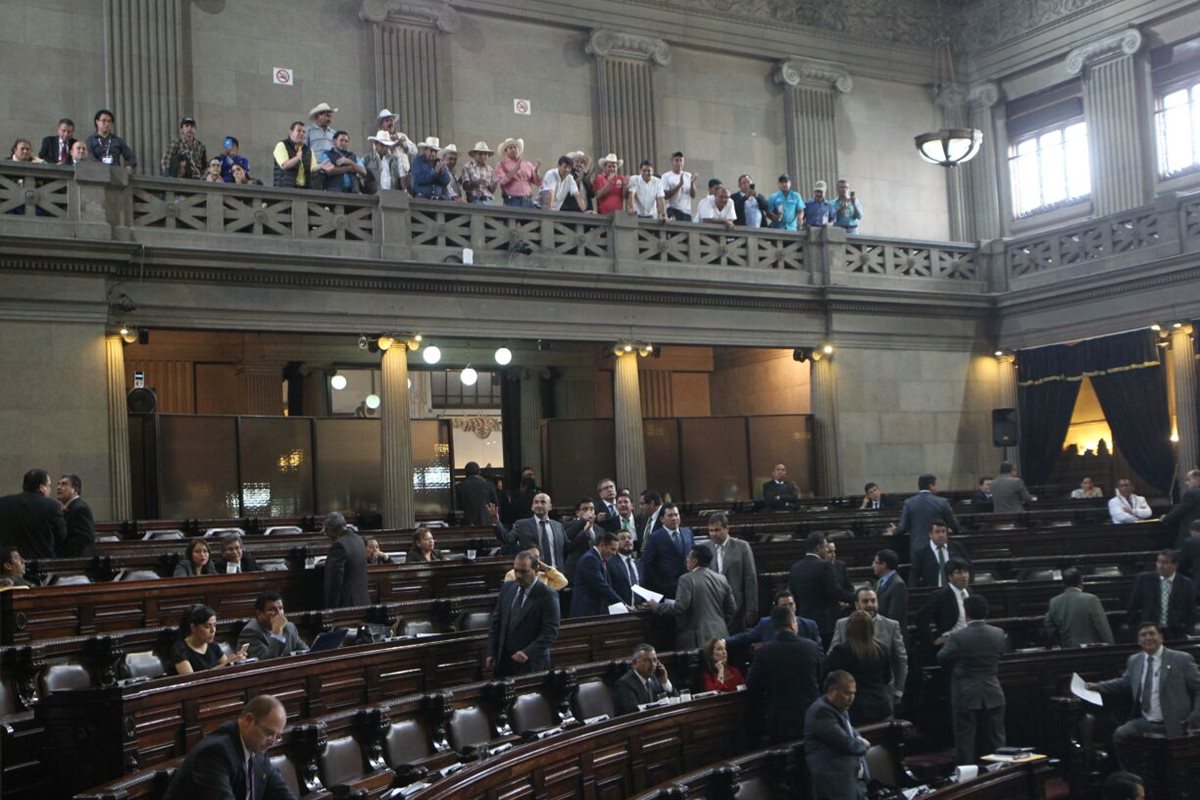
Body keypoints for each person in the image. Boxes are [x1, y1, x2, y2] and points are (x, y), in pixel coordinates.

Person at [1087, 622, 1200, 769]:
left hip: (1176, 722)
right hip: (1146, 721)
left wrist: (1195, 716)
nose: (1148, 638)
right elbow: (1125, 682)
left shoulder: (1181, 659)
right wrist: (1097, 686)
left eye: (1152, 634)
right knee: (1120, 734)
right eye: (1143, 635)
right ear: (1139, 641)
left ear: (1161, 637)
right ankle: (1132, 780)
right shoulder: (1134, 661)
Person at [161, 694, 295, 800]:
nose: (273, 741)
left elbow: (279, 791)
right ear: (248, 721)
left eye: (277, 736)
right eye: (269, 733)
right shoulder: (215, 752)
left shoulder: (257, 748)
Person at [937, 595, 1008, 764]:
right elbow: (1001, 652)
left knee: (965, 740)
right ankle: (1001, 775)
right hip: (993, 691)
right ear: (986, 612)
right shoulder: (998, 633)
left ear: (966, 614)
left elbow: (941, 657)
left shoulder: (957, 636)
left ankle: (968, 780)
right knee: (996, 737)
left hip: (966, 694)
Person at [746, 605, 823, 743]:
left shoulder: (764, 652)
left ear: (774, 626)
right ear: (793, 624)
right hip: (810, 715)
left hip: (779, 720)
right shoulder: (812, 647)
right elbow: (821, 678)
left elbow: (752, 685)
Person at [829, 588, 908, 710]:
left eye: (873, 601)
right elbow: (832, 656)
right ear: (856, 604)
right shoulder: (842, 624)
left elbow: (900, 660)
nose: (870, 605)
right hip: (849, 696)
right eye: (865, 601)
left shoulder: (891, 626)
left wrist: (899, 690)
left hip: (882, 694)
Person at [486, 551, 561, 677]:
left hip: (531, 663)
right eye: (516, 570)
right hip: (504, 661)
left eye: (524, 571)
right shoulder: (507, 588)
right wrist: (491, 652)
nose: (518, 575)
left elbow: (551, 631)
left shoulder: (547, 594)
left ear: (536, 570)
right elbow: (496, 623)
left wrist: (528, 652)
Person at [647, 545, 736, 649]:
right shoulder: (721, 578)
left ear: (694, 561)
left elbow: (680, 608)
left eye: (688, 558)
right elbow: (732, 609)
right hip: (721, 634)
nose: (686, 560)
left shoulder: (686, 579)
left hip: (698, 638)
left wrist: (656, 606)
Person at [805, 670, 871, 800]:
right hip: (835, 782)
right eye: (846, 693)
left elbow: (851, 731)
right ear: (831, 690)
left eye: (853, 693)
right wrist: (863, 744)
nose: (851, 698)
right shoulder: (821, 711)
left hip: (851, 781)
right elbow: (844, 742)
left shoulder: (839, 708)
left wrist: (857, 738)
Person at [824, 610, 893, 725]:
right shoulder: (882, 649)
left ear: (849, 628)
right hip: (880, 706)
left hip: (854, 709)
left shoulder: (842, 650)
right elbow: (887, 678)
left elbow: (825, 672)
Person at [788, 532, 855, 646]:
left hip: (804, 622)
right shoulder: (825, 566)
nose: (826, 550)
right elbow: (836, 592)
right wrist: (856, 597)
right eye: (825, 547)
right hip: (826, 624)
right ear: (818, 548)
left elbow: (793, 595)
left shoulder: (795, 568)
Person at [706, 511, 758, 632]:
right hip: (714, 607)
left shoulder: (742, 547)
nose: (713, 534)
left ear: (727, 529)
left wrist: (752, 608)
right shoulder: (706, 548)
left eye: (717, 530)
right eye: (711, 531)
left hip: (738, 606)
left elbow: (750, 578)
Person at [1127, 549, 1196, 640]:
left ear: (1175, 565)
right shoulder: (1143, 580)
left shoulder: (1186, 583)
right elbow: (1133, 607)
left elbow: (1191, 611)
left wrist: (1187, 631)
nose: (1160, 566)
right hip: (1150, 632)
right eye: (1158, 561)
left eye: (1165, 562)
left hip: (1176, 632)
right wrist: (1136, 629)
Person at [727, 588, 823, 653]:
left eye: (791, 604)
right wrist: (723, 642)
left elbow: (819, 651)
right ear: (776, 607)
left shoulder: (809, 625)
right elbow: (745, 637)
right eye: (784, 606)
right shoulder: (766, 623)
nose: (789, 608)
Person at [0, 468, 67, 559]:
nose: (50, 489)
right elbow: (62, 537)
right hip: (42, 564)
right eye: (49, 486)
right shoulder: (52, 506)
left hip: (9, 563)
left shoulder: (3, 503)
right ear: (42, 488)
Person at [894, 473, 960, 562]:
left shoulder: (909, 503)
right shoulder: (942, 502)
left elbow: (902, 528)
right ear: (931, 485)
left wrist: (894, 530)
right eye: (936, 484)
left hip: (917, 547)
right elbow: (955, 526)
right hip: (938, 545)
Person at [491, 491, 566, 568]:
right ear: (532, 506)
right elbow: (507, 539)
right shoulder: (522, 525)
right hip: (534, 573)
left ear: (550, 506)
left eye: (543, 502)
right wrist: (496, 522)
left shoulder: (558, 526)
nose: (539, 505)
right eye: (536, 502)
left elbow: (567, 548)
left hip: (556, 573)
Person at [1043, 568, 1115, 648]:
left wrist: (1061, 642)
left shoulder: (1054, 602)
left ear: (1063, 583)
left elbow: (1049, 627)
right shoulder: (1091, 599)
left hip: (1067, 649)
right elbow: (1102, 627)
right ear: (1081, 581)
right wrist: (1111, 645)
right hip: (1091, 650)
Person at [172, 604, 248, 674]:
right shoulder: (180, 649)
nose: (213, 630)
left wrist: (235, 661)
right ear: (193, 627)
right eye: (207, 626)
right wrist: (226, 664)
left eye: (214, 625)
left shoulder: (212, 645)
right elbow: (192, 681)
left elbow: (227, 667)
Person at [640, 503, 694, 598]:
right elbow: (647, 563)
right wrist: (659, 584)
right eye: (670, 515)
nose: (674, 518)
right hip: (666, 588)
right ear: (662, 519)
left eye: (676, 515)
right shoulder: (654, 537)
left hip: (689, 585)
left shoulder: (687, 532)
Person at [916, 558, 973, 649]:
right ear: (950, 577)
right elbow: (921, 618)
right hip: (951, 642)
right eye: (958, 573)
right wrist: (932, 641)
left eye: (966, 572)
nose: (964, 576)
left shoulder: (970, 592)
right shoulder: (940, 595)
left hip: (971, 639)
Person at [569, 531, 627, 617]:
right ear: (602, 545)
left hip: (597, 611)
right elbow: (602, 586)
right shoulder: (590, 559)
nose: (614, 554)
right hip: (586, 613)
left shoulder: (600, 559)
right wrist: (623, 605)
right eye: (612, 549)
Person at [237, 592, 309, 660]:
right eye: (272, 610)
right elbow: (268, 662)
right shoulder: (250, 633)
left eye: (280, 608)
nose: (279, 613)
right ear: (259, 614)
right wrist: (277, 630)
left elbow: (307, 653)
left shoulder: (290, 627)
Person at [322, 512, 369, 609]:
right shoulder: (359, 540)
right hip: (362, 600)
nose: (325, 533)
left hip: (347, 603)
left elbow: (335, 580)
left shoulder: (339, 545)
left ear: (334, 529)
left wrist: (330, 607)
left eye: (326, 529)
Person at [613, 643, 676, 714]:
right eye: (647, 660)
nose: (652, 664)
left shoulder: (654, 679)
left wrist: (664, 682)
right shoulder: (624, 684)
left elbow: (675, 701)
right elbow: (633, 712)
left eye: (655, 660)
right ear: (634, 663)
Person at [910, 520, 972, 588]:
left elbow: (969, 567)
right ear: (930, 534)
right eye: (937, 532)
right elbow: (914, 576)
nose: (941, 535)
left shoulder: (957, 548)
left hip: (956, 589)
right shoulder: (921, 553)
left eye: (943, 531)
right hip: (933, 591)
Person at [272, 121, 322, 189]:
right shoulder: (282, 145)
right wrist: (297, 158)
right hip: (285, 188)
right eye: (299, 131)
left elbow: (312, 169)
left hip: (304, 188)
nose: (302, 134)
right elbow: (284, 165)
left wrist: (322, 166)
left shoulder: (308, 150)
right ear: (290, 132)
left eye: (304, 132)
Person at [56, 473, 95, 558]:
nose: (58, 487)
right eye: (58, 484)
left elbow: (84, 537)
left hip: (78, 559)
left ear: (75, 489)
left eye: (64, 484)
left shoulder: (80, 508)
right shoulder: (70, 506)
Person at [494, 137, 540, 207]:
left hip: (528, 200)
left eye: (515, 147)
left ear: (519, 150)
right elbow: (502, 181)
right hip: (512, 200)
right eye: (510, 148)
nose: (513, 149)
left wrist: (536, 171)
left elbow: (538, 182)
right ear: (506, 151)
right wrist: (515, 169)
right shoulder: (501, 164)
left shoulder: (528, 164)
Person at [502, 544, 568, 590]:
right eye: (529, 556)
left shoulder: (544, 576)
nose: (532, 559)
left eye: (535, 557)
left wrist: (547, 568)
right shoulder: (512, 574)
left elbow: (563, 582)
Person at [563, 497, 598, 580]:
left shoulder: (600, 529)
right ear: (578, 513)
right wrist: (583, 521)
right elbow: (568, 544)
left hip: (594, 571)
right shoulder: (568, 526)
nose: (589, 512)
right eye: (585, 509)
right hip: (576, 571)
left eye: (592, 509)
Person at [456, 461, 498, 526]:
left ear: (465, 473)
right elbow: (495, 505)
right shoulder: (489, 486)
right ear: (479, 472)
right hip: (486, 522)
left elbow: (457, 507)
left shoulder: (459, 487)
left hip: (466, 523)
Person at [873, 549, 908, 625]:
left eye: (875, 562)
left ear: (884, 565)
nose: (873, 565)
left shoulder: (898, 585)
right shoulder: (879, 581)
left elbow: (895, 615)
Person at [1165, 469, 1200, 546]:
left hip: (1192, 532)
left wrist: (1165, 518)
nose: (1186, 483)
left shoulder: (1192, 494)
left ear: (1197, 479)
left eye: (1188, 480)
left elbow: (1179, 511)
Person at [607, 529, 641, 605]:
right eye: (622, 538)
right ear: (615, 543)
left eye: (629, 538)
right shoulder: (610, 564)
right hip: (620, 611)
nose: (627, 540)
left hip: (640, 610)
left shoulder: (639, 564)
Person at [661, 151, 697, 222]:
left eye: (681, 160)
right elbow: (665, 196)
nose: (679, 163)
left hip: (686, 211)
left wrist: (692, 183)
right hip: (673, 209)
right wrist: (679, 185)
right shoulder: (666, 176)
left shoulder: (688, 175)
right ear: (672, 162)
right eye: (676, 160)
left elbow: (693, 195)